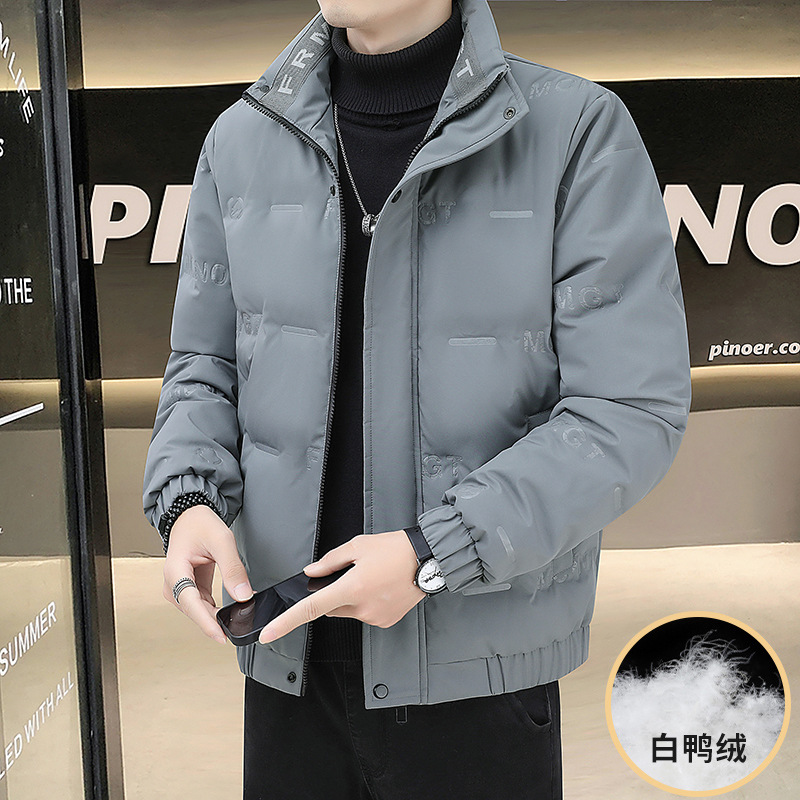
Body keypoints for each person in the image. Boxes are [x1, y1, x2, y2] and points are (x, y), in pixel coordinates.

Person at [142, 0, 692, 797]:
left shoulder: (575, 131)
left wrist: (436, 553)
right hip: (290, 665)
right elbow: (204, 364)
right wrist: (189, 498)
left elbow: (627, 411)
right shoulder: (242, 138)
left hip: (477, 675)